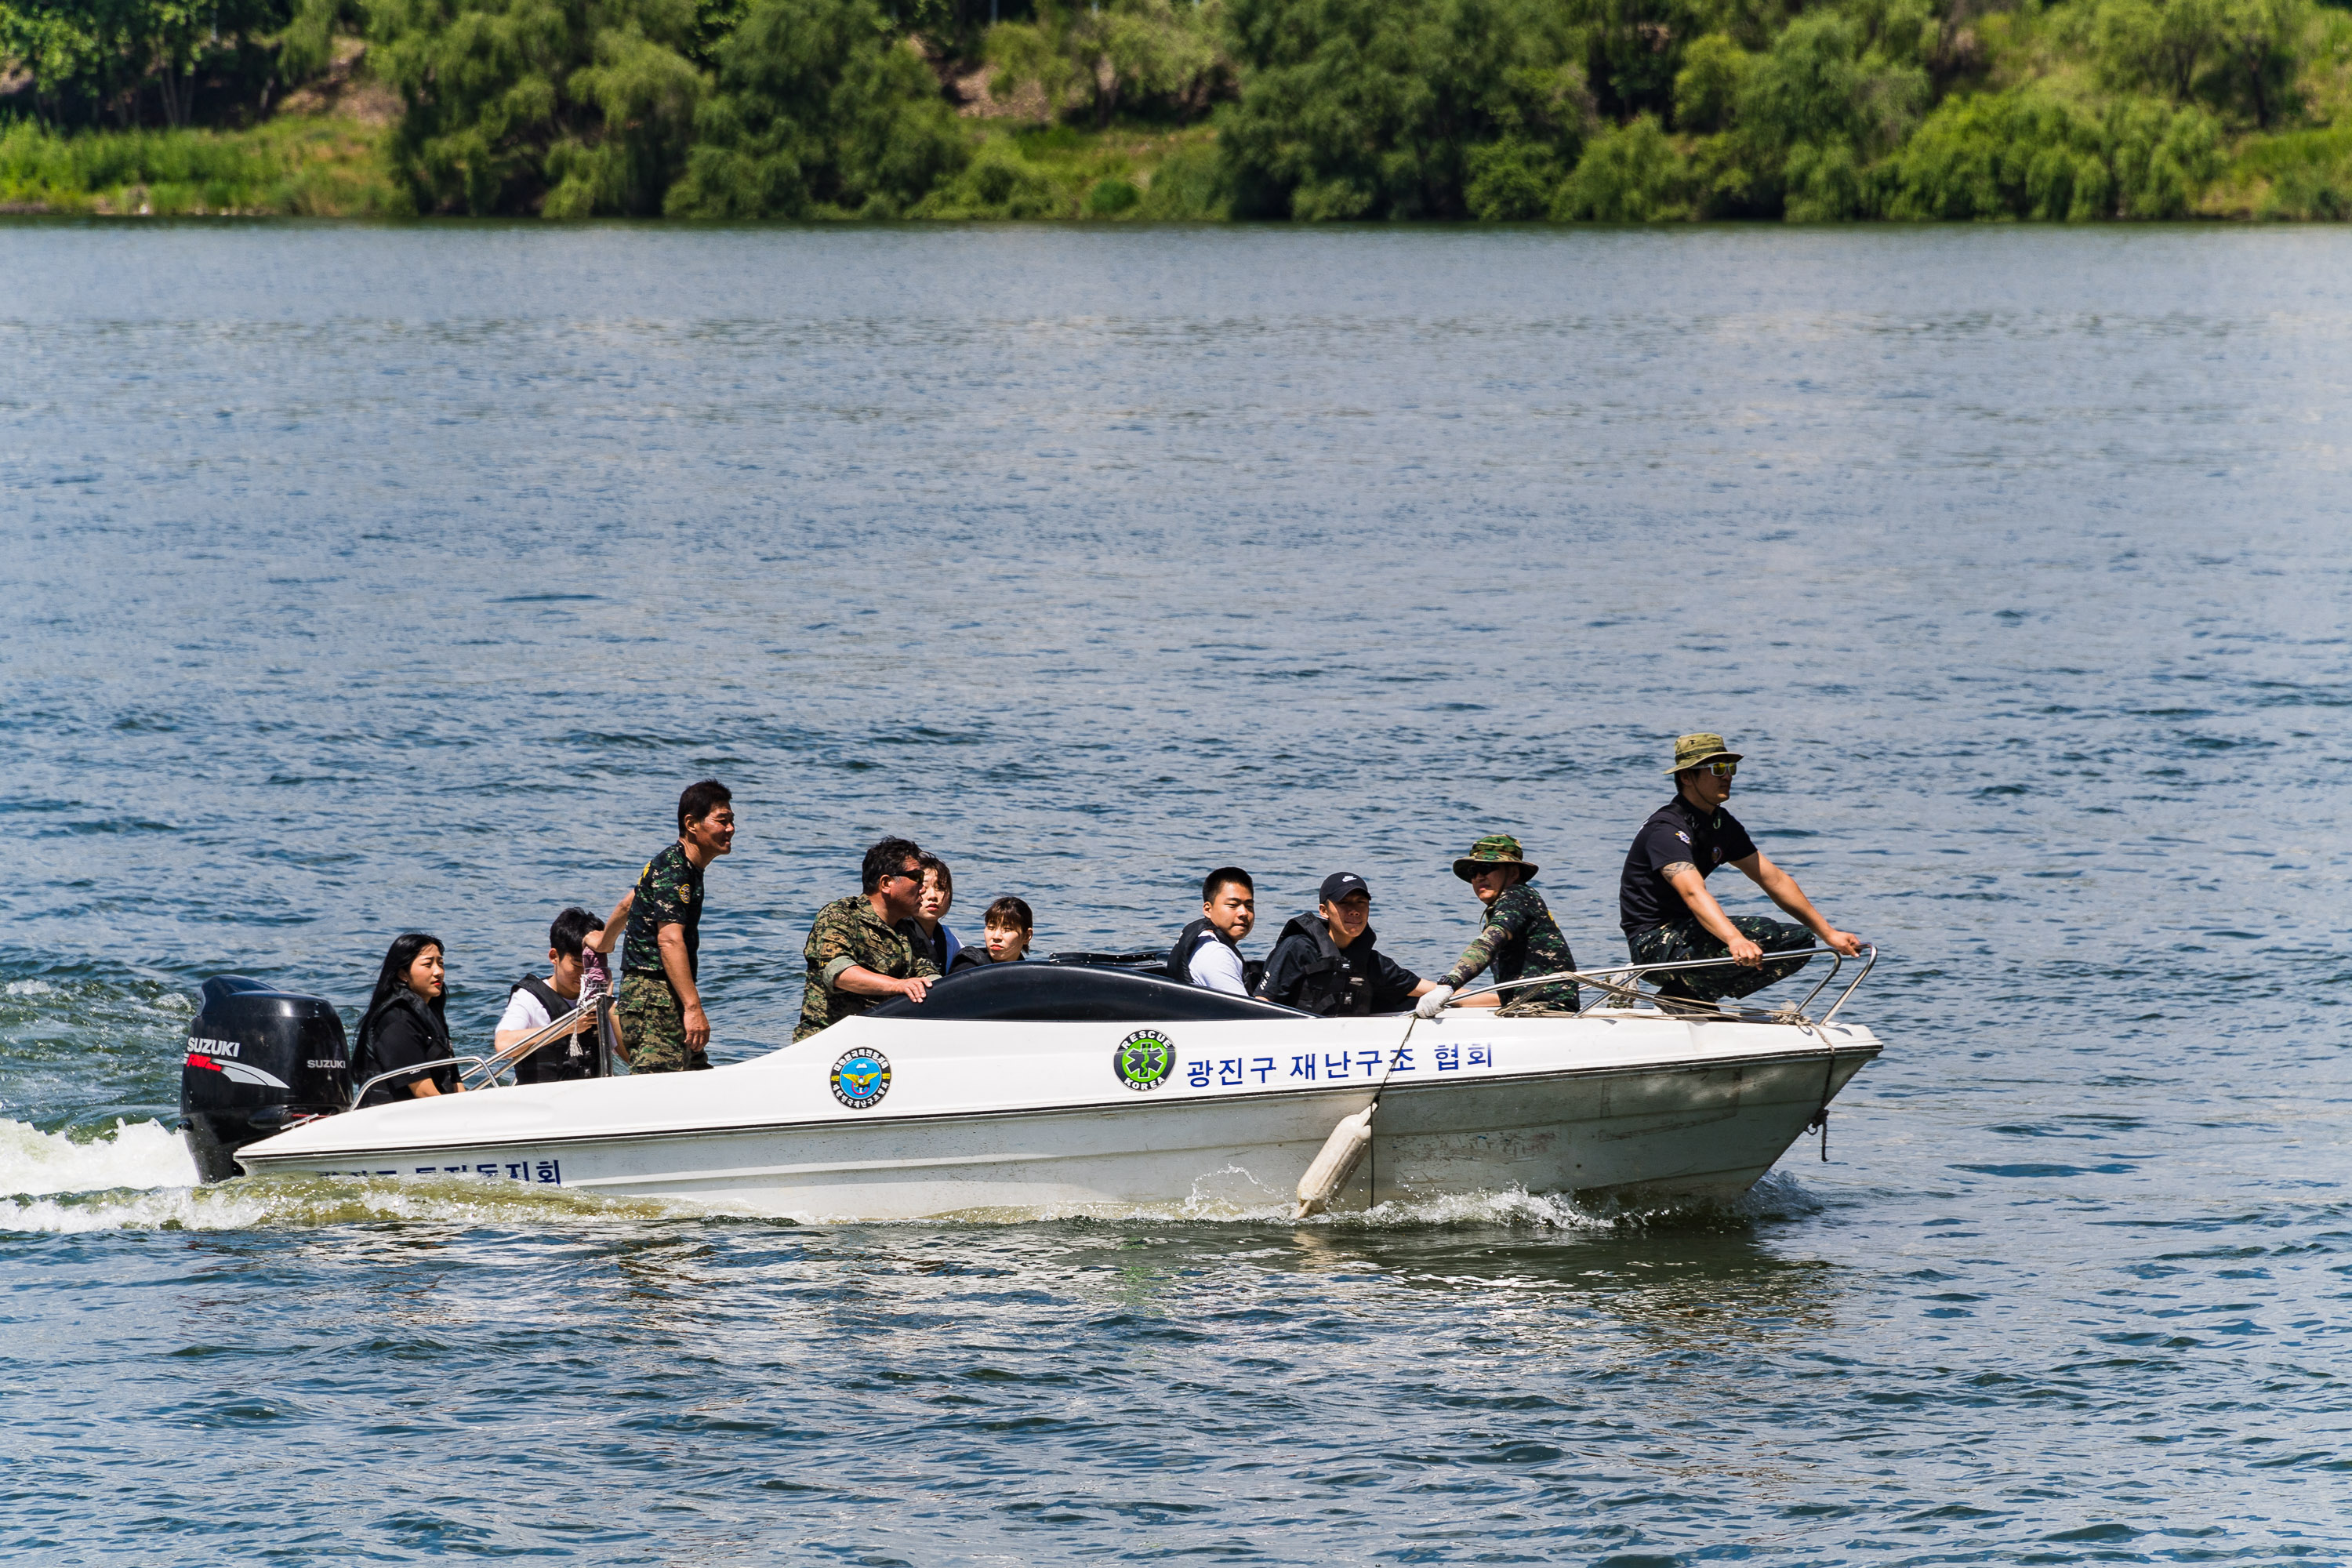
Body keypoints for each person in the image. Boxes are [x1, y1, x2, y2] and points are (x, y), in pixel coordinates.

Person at [1618, 732, 1863, 1011]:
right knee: (1765, 933)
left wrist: (1828, 932)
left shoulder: (1721, 824)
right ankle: (1681, 998)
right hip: (1653, 944)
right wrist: (1735, 939)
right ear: (1687, 777)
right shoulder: (1666, 829)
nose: (1727, 776)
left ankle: (1689, 996)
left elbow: (1774, 879)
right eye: (1717, 769)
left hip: (1690, 935)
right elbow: (1692, 891)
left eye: (1730, 768)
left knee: (1798, 940)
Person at [618, 779, 735, 1074]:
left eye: (732, 821)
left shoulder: (681, 866)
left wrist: (603, 942)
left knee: (698, 1081)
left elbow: (630, 901)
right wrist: (694, 1008)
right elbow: (669, 940)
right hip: (653, 996)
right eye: (722, 821)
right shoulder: (676, 868)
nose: (731, 829)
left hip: (667, 993)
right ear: (691, 824)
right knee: (659, 1090)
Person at [795, 837, 942, 1041]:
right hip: (827, 1043)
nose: (923, 888)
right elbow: (839, 973)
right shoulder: (841, 916)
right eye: (917, 877)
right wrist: (898, 985)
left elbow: (930, 978)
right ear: (887, 883)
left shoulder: (908, 930)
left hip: (882, 1043)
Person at [1414, 836, 1576, 1017]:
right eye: (1473, 871)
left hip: (1545, 1012)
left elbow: (1487, 943)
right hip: (1527, 1008)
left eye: (1487, 868)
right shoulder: (1511, 902)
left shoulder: (1517, 896)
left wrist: (1448, 985)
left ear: (1514, 873)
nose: (1478, 877)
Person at [1256, 873, 1436, 1016]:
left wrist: (1460, 995)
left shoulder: (1371, 962)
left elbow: (1434, 991)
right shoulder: (1297, 948)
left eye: (1361, 903)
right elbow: (1262, 1002)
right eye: (1344, 903)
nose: (1355, 911)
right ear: (1324, 911)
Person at [495, 897, 632, 1083]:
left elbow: (631, 1058)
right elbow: (503, 1045)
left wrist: (608, 1003)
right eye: (577, 965)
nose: (584, 974)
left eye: (591, 968)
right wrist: (565, 1027)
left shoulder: (600, 1000)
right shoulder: (529, 997)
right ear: (554, 956)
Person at [353, 931, 463, 1108]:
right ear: (403, 974)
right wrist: (461, 1113)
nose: (439, 972)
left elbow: (456, 1082)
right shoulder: (395, 1020)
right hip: (388, 1121)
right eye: (428, 964)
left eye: (441, 964)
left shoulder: (432, 1016)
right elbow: (423, 1091)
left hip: (430, 1113)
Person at [1165, 867, 1258, 996]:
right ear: (1208, 910)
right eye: (1233, 905)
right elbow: (1247, 1013)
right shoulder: (1215, 954)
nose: (1244, 913)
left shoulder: (1204, 940)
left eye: (1249, 906)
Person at [912, 853, 964, 974]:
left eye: (940, 888)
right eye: (924, 888)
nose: (933, 896)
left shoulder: (947, 938)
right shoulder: (898, 933)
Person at [953, 896, 1034, 969]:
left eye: (1007, 929)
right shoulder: (968, 967)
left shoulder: (1030, 973)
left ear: (1027, 936)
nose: (996, 937)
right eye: (991, 928)